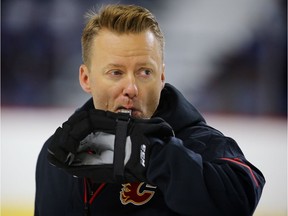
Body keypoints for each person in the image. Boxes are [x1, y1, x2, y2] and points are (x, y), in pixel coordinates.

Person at [34, 4, 265, 216]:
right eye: (116, 72)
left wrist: (152, 154)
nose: (131, 88)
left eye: (145, 72)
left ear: (161, 77)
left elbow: (242, 197)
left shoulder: (200, 144)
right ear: (86, 78)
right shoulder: (55, 155)